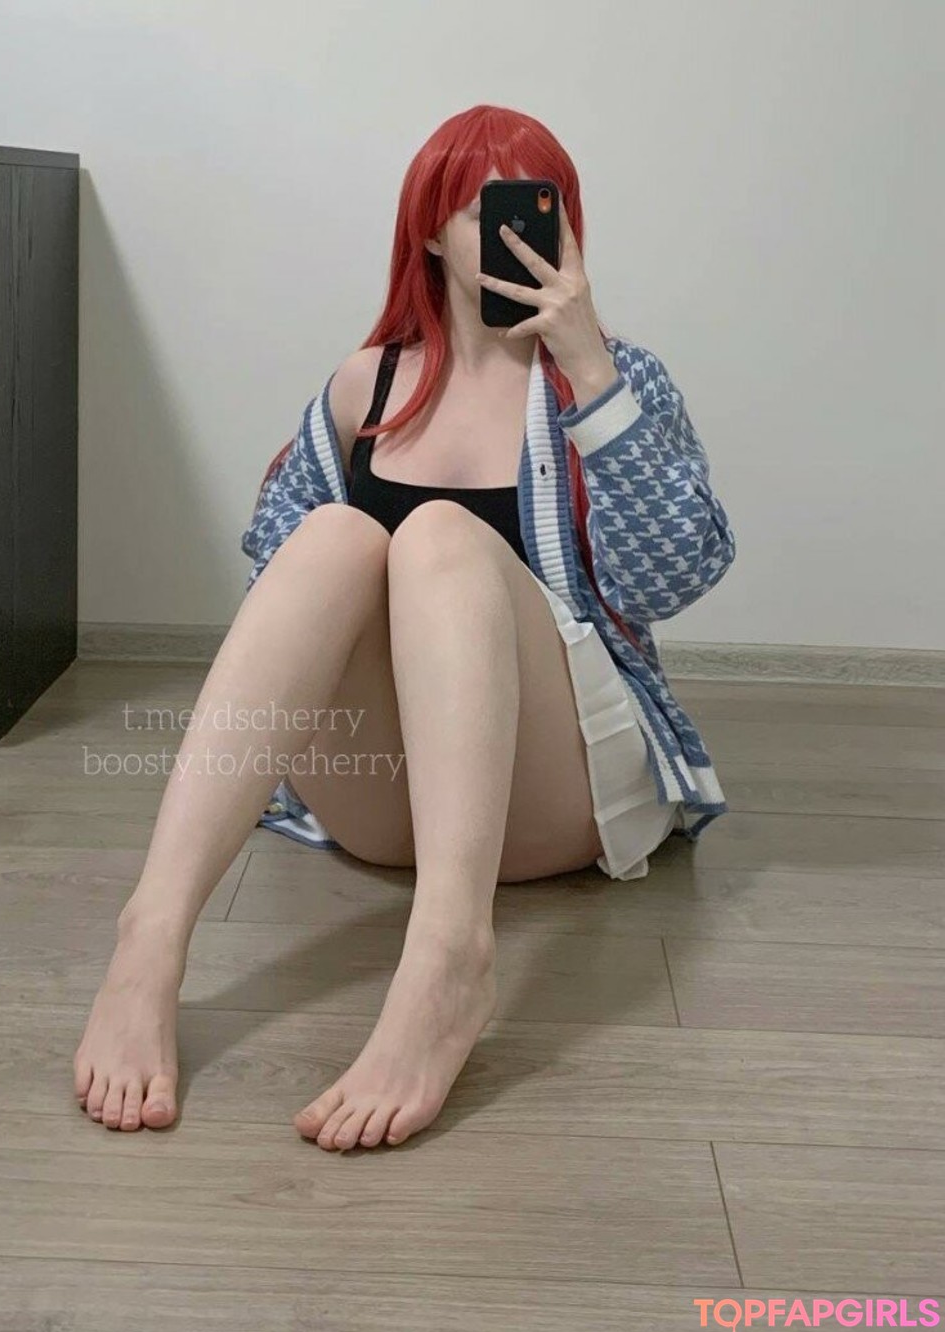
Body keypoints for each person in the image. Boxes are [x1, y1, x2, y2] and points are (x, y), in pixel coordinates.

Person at [74, 104, 736, 1150]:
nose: (517, 232)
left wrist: (591, 375)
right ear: (429, 230)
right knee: (335, 536)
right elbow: (276, 596)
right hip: (386, 805)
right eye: (483, 210)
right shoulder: (366, 384)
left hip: (555, 796)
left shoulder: (615, 378)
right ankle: (149, 937)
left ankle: (448, 958)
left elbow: (672, 579)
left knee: (437, 539)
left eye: (540, 206)